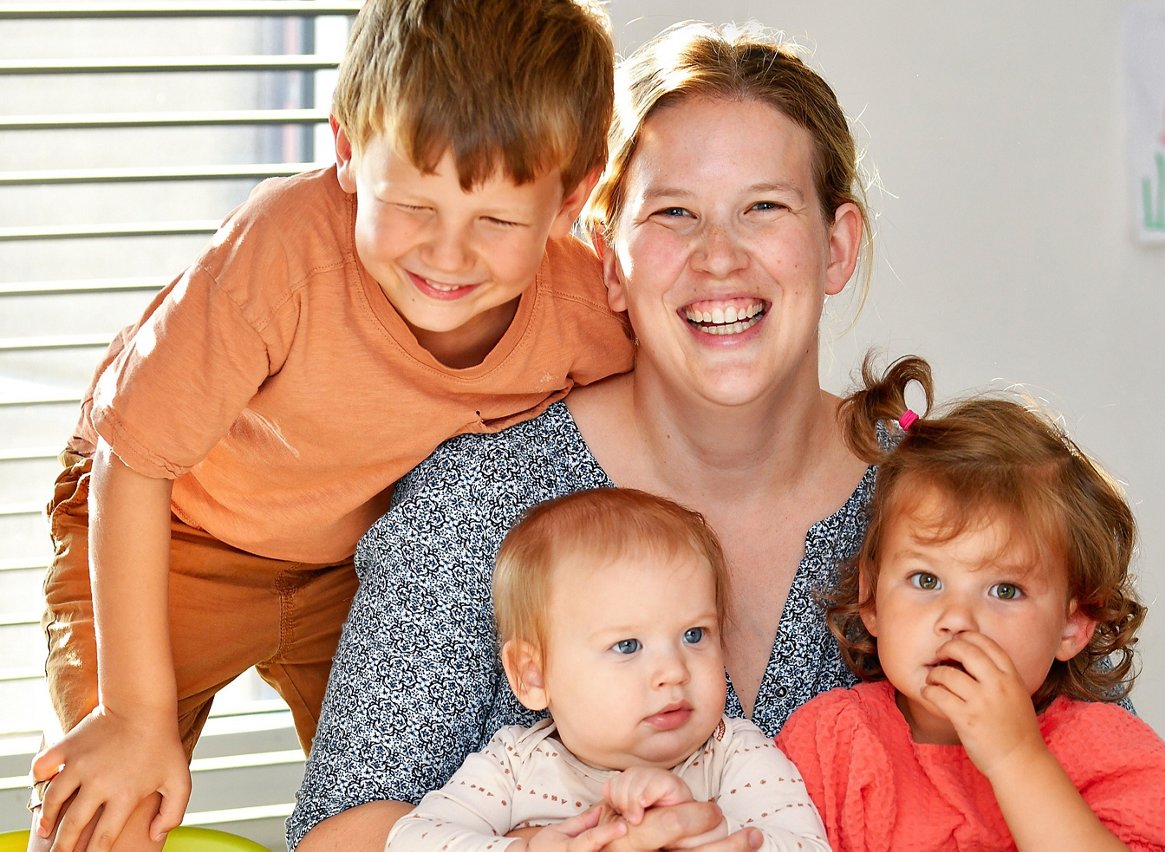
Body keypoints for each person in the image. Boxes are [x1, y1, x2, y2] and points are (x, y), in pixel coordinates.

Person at [29, 2, 632, 850]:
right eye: (412, 205)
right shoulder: (282, 253)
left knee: (417, 810)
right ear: (347, 151)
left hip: (351, 573)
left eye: (494, 221)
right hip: (172, 532)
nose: (446, 256)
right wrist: (133, 713)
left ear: (574, 197)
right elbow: (134, 459)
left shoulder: (580, 308)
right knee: (112, 804)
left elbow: (648, 436)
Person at [290, 20, 875, 852]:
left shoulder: (945, 505)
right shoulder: (478, 501)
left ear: (835, 246)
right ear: (607, 259)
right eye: (674, 213)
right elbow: (334, 836)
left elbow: (1095, 800)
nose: (718, 259)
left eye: (764, 208)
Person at [775, 355, 1165, 851]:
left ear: (1073, 624)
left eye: (1005, 591)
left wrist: (1016, 758)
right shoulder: (833, 742)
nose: (957, 619)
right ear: (871, 598)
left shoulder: (1109, 752)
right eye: (925, 579)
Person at [387, 488, 830, 851]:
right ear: (533, 675)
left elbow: (810, 846)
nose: (673, 672)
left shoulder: (735, 754)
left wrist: (710, 832)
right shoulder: (514, 765)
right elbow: (411, 839)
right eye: (627, 645)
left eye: (694, 635)